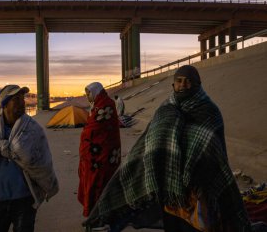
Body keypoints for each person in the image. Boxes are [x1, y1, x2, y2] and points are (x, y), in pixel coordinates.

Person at [84, 65, 252, 232]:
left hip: (198, 185)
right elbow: (147, 143)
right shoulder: (165, 109)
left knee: (197, 225)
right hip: (169, 186)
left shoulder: (210, 111)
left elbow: (215, 151)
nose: (183, 85)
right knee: (173, 224)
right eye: (179, 81)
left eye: (188, 81)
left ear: (198, 84)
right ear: (173, 85)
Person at [0, 84, 59, 232]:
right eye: (16, 99)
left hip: (24, 202)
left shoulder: (32, 129)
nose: (22, 102)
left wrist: (36, 193)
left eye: (22, 99)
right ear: (5, 104)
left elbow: (43, 161)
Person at [78, 82, 121, 223]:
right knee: (94, 181)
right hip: (98, 154)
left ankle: (100, 215)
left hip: (104, 154)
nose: (87, 96)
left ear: (96, 92)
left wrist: (86, 135)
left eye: (88, 93)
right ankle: (96, 214)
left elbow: (96, 128)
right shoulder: (98, 104)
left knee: (99, 182)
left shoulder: (106, 105)